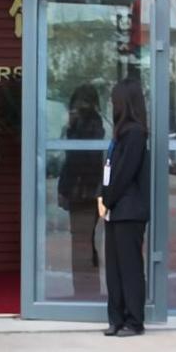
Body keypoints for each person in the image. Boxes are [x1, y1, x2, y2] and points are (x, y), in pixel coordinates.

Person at [97, 77, 150, 336]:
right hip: (115, 211)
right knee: (114, 269)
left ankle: (134, 320)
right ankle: (116, 318)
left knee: (129, 268)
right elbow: (110, 170)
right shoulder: (120, 134)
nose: (111, 105)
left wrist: (107, 199)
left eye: (114, 100)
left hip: (129, 211)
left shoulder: (135, 134)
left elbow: (124, 173)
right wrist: (102, 195)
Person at [57, 84, 105, 300]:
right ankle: (89, 290)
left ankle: (84, 292)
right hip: (90, 190)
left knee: (81, 243)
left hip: (83, 191)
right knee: (88, 242)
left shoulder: (85, 125)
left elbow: (75, 161)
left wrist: (64, 189)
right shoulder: (95, 123)